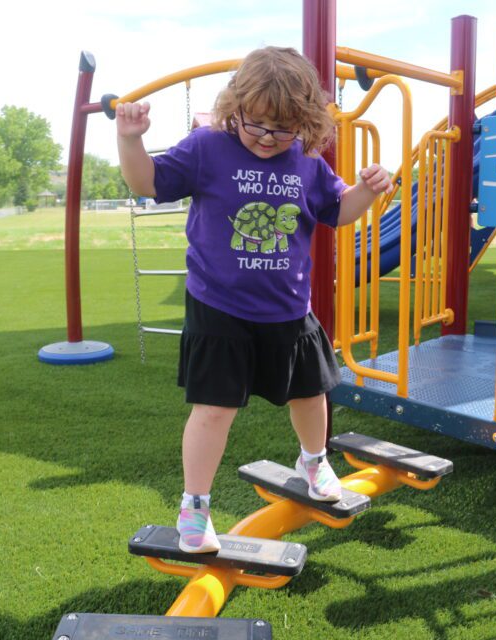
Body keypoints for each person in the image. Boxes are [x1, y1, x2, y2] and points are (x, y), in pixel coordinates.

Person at [116, 46, 393, 553]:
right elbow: (146, 182)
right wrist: (130, 140)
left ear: (306, 122)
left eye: (282, 128)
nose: (267, 138)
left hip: (287, 307)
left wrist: (368, 192)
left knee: (311, 393)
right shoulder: (207, 147)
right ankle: (195, 507)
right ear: (235, 107)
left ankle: (314, 462)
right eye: (256, 124)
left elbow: (339, 211)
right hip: (218, 307)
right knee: (214, 410)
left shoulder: (307, 161)